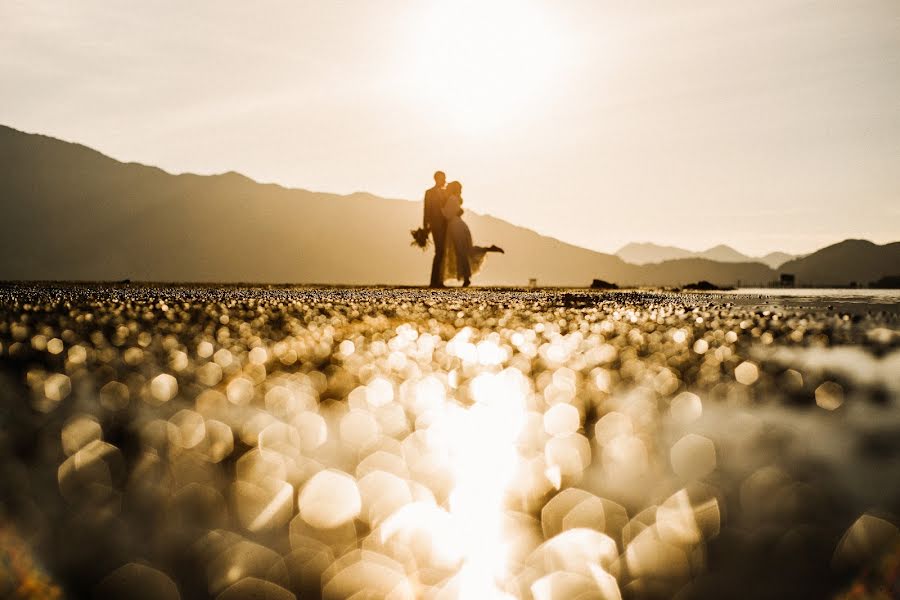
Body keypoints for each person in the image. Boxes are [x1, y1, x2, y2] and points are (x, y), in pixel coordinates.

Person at [441, 180, 504, 287]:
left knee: (461, 252)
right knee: (466, 250)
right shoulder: (455, 199)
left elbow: (448, 214)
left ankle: (466, 277)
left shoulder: (452, 199)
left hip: (455, 226)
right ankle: (487, 250)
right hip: (459, 225)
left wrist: (440, 209)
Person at [422, 171, 448, 288]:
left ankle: (439, 280)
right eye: (442, 178)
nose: (444, 181)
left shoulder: (445, 192)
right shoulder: (429, 193)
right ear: (436, 179)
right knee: (439, 251)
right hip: (435, 225)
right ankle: (434, 281)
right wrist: (425, 227)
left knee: (442, 252)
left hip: (446, 225)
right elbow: (426, 209)